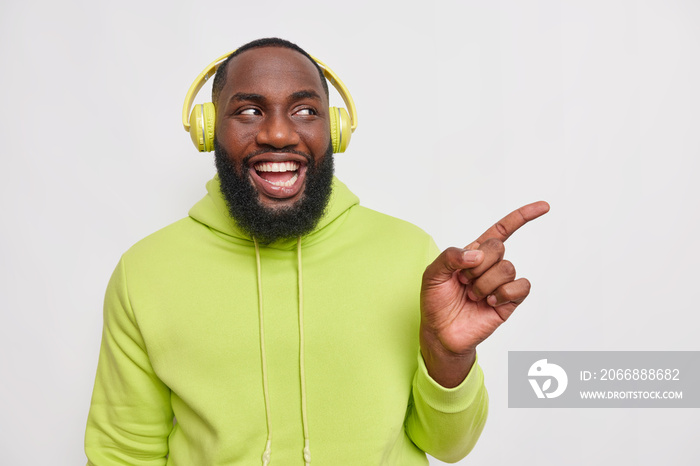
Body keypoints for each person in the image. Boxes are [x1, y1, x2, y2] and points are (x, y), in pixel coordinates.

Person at [85, 37, 549, 465]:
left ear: (337, 130)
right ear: (208, 129)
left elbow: (451, 446)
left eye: (305, 111)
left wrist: (447, 355)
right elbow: (123, 455)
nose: (280, 135)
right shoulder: (145, 271)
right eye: (249, 111)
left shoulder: (412, 256)